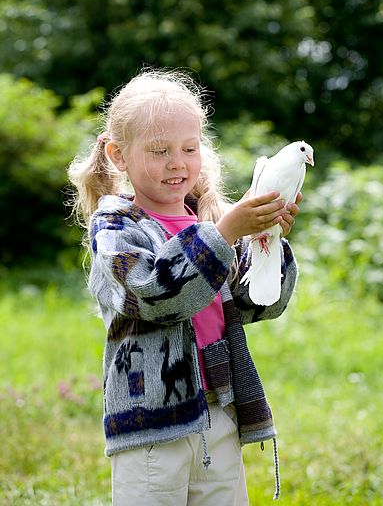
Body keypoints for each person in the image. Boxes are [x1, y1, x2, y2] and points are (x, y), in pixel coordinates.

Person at [68, 69, 301, 506]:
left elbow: (255, 305)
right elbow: (157, 294)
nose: (178, 163)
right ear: (119, 155)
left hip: (219, 410)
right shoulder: (116, 226)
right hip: (153, 422)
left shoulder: (206, 225)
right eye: (159, 151)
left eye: (189, 149)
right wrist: (227, 232)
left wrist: (268, 243)